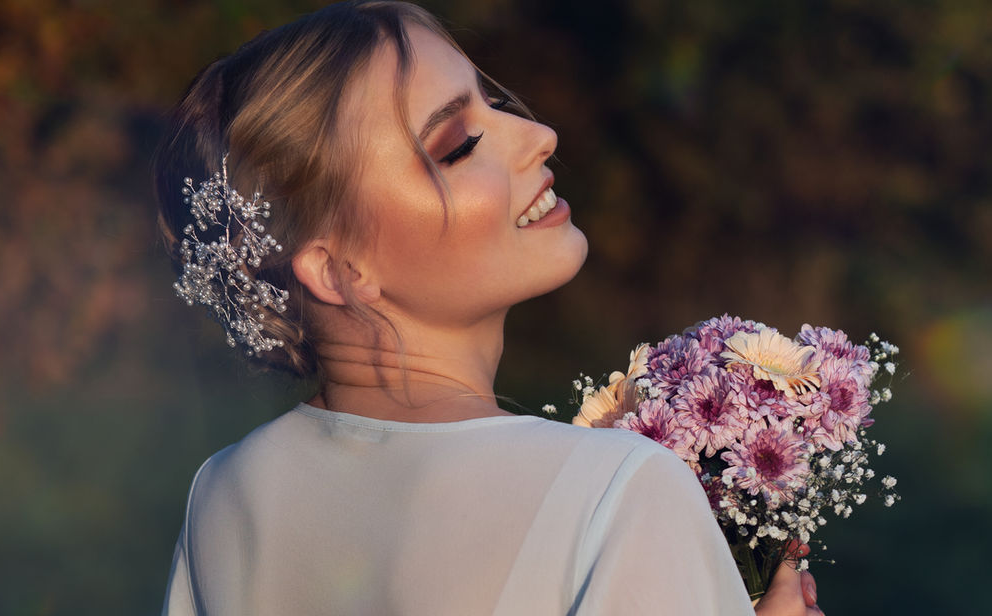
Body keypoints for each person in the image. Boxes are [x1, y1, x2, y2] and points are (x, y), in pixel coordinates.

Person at [155, 1, 825, 614]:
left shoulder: (222, 495)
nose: (540, 134)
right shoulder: (619, 491)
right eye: (460, 146)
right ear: (339, 271)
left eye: (496, 102)